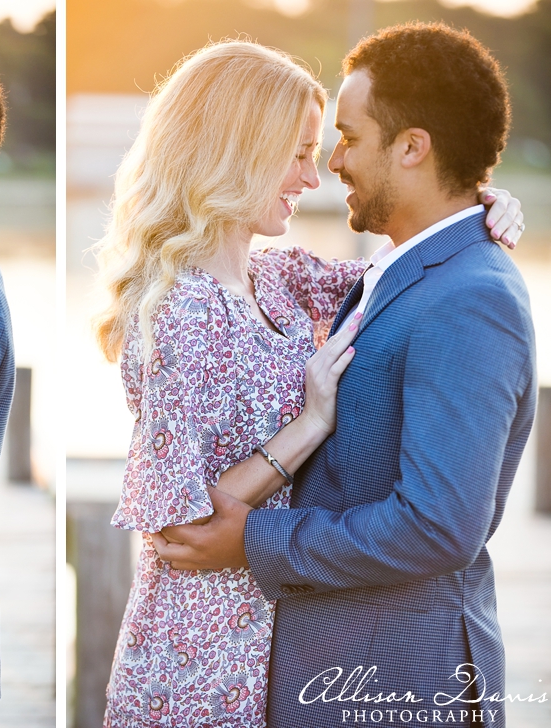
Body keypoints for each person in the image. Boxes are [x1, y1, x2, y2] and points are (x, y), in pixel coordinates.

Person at [91, 39, 525, 727]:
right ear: (238, 152)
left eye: (336, 142)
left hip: (292, 639)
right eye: (298, 153)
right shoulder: (181, 309)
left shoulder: (282, 279)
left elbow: (410, 279)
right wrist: (309, 425)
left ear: (413, 147)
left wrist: (484, 206)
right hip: (203, 649)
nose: (319, 171)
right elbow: (181, 525)